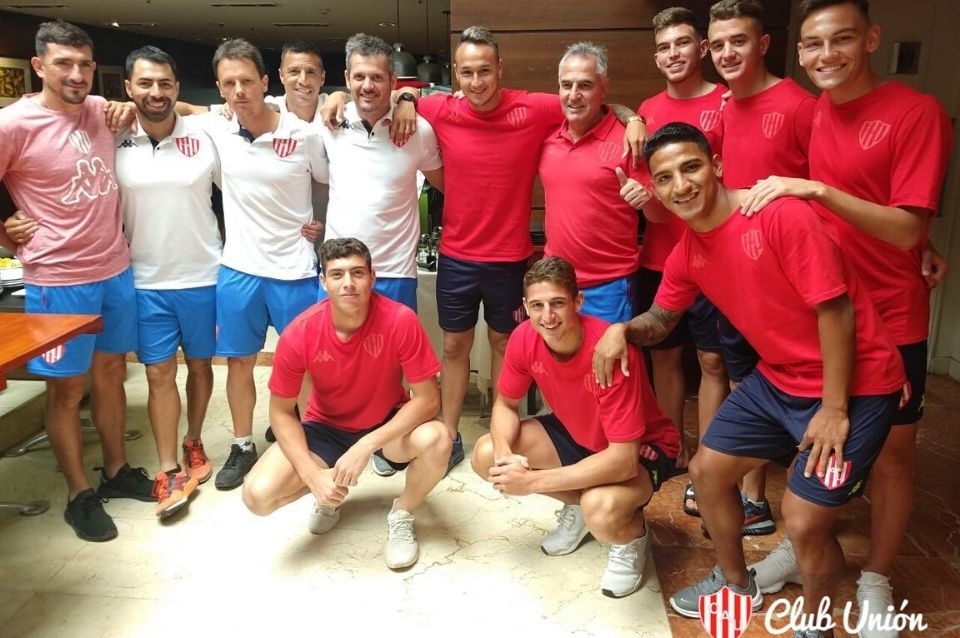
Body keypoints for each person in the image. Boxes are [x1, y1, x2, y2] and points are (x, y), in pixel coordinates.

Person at [594, 122, 906, 638]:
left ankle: (816, 624)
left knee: (804, 520)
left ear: (716, 165)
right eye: (665, 178)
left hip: (856, 383)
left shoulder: (779, 215)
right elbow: (663, 320)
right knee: (707, 472)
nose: (681, 186)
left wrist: (834, 409)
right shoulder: (689, 251)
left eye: (691, 167)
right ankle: (739, 585)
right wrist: (622, 329)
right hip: (779, 378)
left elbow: (835, 311)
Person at [322, 26, 648, 477]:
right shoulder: (440, 108)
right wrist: (366, 96)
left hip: (510, 257)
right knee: (454, 346)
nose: (476, 82)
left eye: (485, 71)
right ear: (455, 74)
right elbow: (382, 93)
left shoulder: (533, 107)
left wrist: (635, 118)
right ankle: (449, 435)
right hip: (457, 255)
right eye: (467, 73)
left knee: (503, 344)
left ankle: (504, 436)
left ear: (500, 70)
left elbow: (594, 102)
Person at [739, 2, 953, 635]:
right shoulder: (813, 112)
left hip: (894, 315)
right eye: (813, 44)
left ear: (872, 39)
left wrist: (819, 191)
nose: (826, 54)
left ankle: (876, 577)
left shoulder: (916, 112)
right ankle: (798, 547)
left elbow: (908, 226)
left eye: (842, 39)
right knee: (810, 438)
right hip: (825, 310)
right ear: (799, 51)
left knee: (891, 458)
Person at [0, 20, 153, 541]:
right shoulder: (14, 124)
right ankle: (79, 493)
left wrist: (126, 105)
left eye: (85, 64)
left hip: (114, 269)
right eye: (63, 63)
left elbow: (150, 107)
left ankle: (116, 470)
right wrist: (6, 231)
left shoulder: (102, 111)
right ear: (38, 66)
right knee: (66, 392)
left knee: (110, 375)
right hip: (58, 280)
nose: (77, 74)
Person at [471, 256, 679, 598]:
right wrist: (507, 457)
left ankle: (631, 538)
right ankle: (579, 508)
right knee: (487, 454)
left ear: (578, 302)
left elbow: (623, 461)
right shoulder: (524, 337)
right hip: (578, 431)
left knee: (600, 508)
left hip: (641, 448)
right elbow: (505, 405)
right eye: (537, 306)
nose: (547, 317)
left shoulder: (609, 351)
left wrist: (531, 482)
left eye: (557, 303)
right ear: (525, 306)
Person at [241, 237, 450, 570]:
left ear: (372, 277)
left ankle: (402, 513)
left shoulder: (400, 319)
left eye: (357, 273)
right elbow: (280, 412)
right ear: (323, 282)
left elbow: (427, 400)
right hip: (327, 426)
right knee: (257, 496)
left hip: (386, 422)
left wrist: (365, 446)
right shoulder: (300, 332)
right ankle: (328, 492)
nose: (348, 283)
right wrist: (312, 476)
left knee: (438, 439)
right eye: (337, 274)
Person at [706, 0, 819, 533]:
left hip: (791, 284)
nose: (728, 52)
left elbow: (829, 191)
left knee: (800, 392)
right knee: (743, 382)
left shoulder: (800, 106)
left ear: (764, 44)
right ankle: (751, 496)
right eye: (718, 44)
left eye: (739, 41)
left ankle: (802, 514)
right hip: (737, 279)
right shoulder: (725, 107)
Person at [196, 38, 327, 490]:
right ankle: (242, 444)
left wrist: (321, 224)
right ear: (220, 87)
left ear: (265, 82)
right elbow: (175, 110)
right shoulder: (217, 129)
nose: (239, 91)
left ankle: (307, 438)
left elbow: (330, 181)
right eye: (229, 83)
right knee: (239, 363)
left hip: (294, 270)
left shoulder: (304, 133)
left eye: (247, 81)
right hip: (240, 270)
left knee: (305, 364)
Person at [116, 45, 222, 517]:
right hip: (144, 279)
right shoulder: (112, 136)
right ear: (128, 88)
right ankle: (167, 468)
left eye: (164, 83)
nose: (155, 92)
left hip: (203, 274)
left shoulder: (206, 132)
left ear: (177, 88)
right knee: (158, 373)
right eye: (145, 83)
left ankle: (193, 440)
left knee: (200, 366)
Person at [632, 6, 731, 500]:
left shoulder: (727, 101)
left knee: (713, 363)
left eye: (683, 43)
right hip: (660, 258)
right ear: (655, 57)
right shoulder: (647, 109)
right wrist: (631, 116)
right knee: (665, 359)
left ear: (703, 48)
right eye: (664, 47)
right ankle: (672, 449)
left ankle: (707, 465)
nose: (673, 54)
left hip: (716, 258)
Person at [318, 33, 443, 313]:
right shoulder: (329, 122)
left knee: (395, 344)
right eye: (359, 77)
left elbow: (447, 185)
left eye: (376, 77)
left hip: (394, 272)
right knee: (333, 342)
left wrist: (408, 97)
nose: (367, 85)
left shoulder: (417, 130)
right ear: (347, 78)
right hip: (340, 271)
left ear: (393, 81)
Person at [538, 42, 649, 324]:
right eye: (566, 85)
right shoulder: (547, 135)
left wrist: (647, 200)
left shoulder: (629, 140)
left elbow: (659, 215)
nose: (574, 95)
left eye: (585, 85)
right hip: (557, 283)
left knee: (609, 354)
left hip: (609, 287)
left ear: (604, 87)